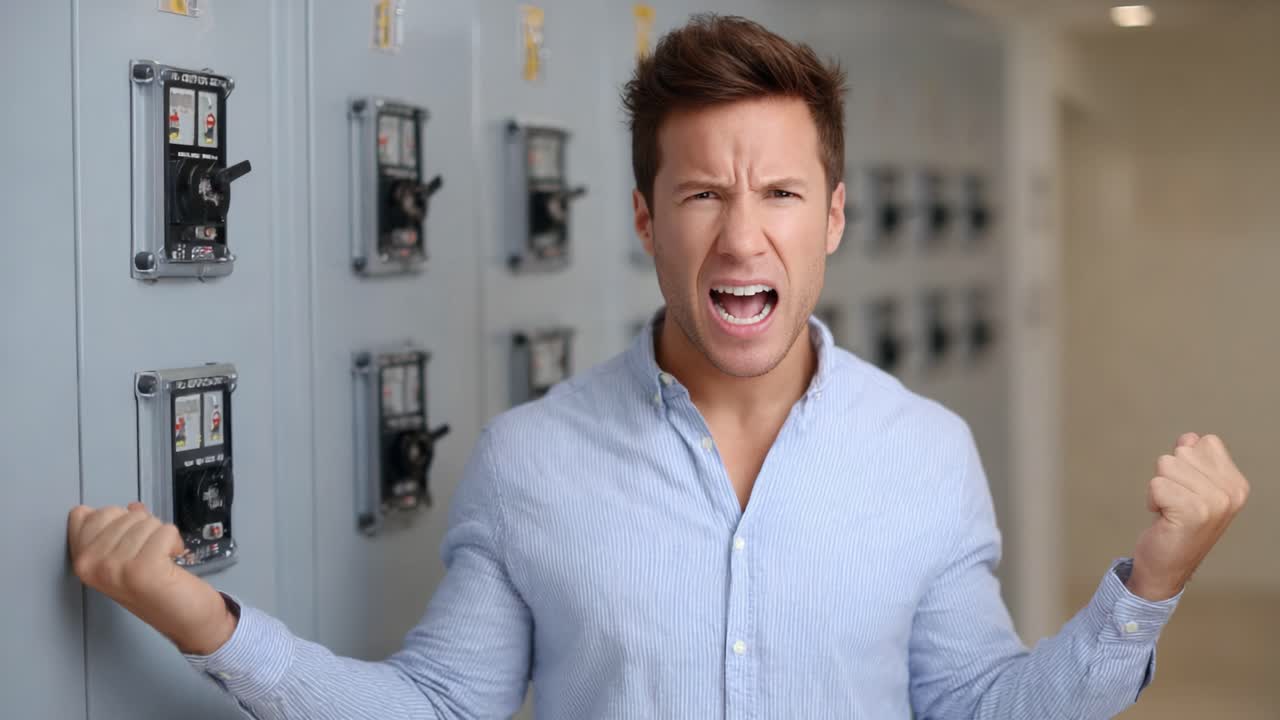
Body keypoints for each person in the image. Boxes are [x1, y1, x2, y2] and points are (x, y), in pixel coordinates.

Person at [67, 15, 1250, 720]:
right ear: (643, 217)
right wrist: (202, 617)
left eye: (781, 194)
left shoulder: (922, 454)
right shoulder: (530, 461)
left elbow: (978, 709)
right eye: (701, 195)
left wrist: (1147, 588)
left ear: (833, 216)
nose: (742, 238)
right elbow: (433, 709)